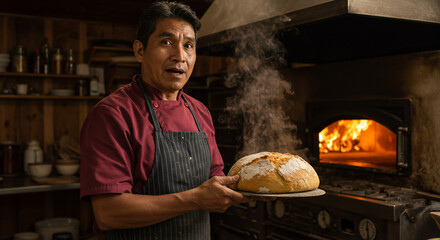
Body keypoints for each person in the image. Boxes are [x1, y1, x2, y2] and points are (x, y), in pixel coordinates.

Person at [79, 1, 249, 239]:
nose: (180, 56)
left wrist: (260, 183)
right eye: (166, 42)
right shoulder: (112, 114)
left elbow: (217, 182)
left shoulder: (200, 112)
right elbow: (108, 213)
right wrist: (194, 199)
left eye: (188, 45)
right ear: (139, 51)